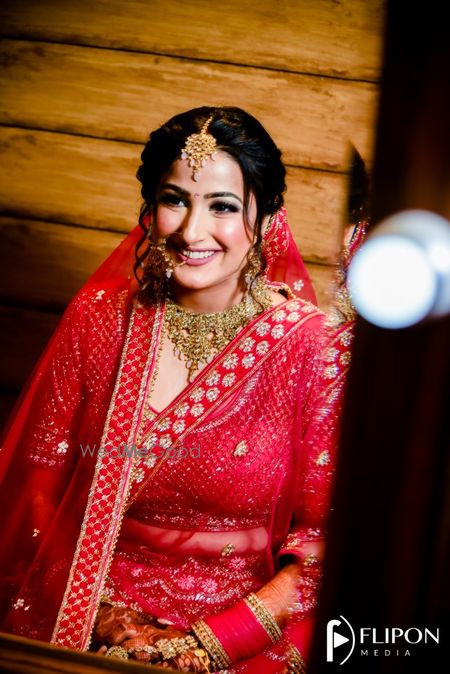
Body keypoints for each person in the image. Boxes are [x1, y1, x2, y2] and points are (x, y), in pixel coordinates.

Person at [0, 106, 354, 673]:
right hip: (90, 604)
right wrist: (109, 621)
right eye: (174, 200)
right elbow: (39, 491)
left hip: (247, 622)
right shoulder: (99, 320)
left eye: (223, 206)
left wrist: (211, 645)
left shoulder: (312, 348)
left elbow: (324, 545)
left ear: (267, 216)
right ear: (150, 208)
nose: (191, 232)